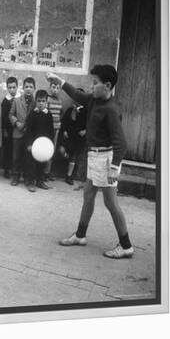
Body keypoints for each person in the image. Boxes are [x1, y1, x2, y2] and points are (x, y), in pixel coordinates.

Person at [47, 66, 134, 259]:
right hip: (94, 156)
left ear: (108, 85)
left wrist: (114, 167)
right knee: (88, 195)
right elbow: (77, 94)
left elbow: (121, 143)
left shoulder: (111, 109)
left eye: (95, 83)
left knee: (111, 203)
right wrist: (58, 80)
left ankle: (126, 245)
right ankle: (80, 235)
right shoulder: (94, 100)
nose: (92, 86)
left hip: (106, 160)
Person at [25, 90, 54, 192]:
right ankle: (30, 182)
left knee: (42, 164)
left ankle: (40, 180)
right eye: (39, 101)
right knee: (31, 164)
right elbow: (28, 130)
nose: (41, 103)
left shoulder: (48, 115)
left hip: (44, 145)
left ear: (46, 102)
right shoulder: (33, 114)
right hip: (33, 145)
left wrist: (50, 145)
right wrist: (29, 144)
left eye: (43, 101)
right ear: (36, 101)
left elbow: (51, 131)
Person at [9, 77, 36, 186]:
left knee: (28, 157)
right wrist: (16, 123)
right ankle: (15, 176)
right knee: (16, 156)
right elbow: (11, 114)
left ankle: (26, 177)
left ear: (34, 88)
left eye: (31, 87)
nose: (28, 89)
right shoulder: (16, 100)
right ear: (23, 88)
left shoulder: (36, 102)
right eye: (26, 87)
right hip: (18, 132)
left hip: (30, 135)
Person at [58, 92, 87, 187]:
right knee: (61, 150)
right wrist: (65, 130)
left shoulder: (85, 111)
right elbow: (64, 121)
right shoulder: (70, 110)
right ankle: (67, 157)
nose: (77, 101)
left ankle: (69, 176)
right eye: (76, 98)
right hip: (68, 137)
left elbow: (91, 123)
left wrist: (85, 131)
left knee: (73, 157)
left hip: (78, 138)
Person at [43, 80, 64, 181]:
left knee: (52, 151)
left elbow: (60, 114)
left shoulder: (60, 101)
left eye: (57, 88)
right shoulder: (47, 100)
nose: (55, 90)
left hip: (56, 129)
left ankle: (47, 172)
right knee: (45, 150)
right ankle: (42, 172)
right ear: (50, 87)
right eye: (53, 87)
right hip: (48, 129)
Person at [1, 76, 19, 178]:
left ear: (17, 87)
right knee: (7, 150)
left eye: (14, 87)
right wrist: (4, 130)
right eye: (10, 87)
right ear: (7, 88)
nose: (12, 90)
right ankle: (6, 169)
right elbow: (3, 117)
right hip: (8, 130)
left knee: (16, 150)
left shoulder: (20, 99)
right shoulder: (5, 101)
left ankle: (15, 169)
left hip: (17, 129)